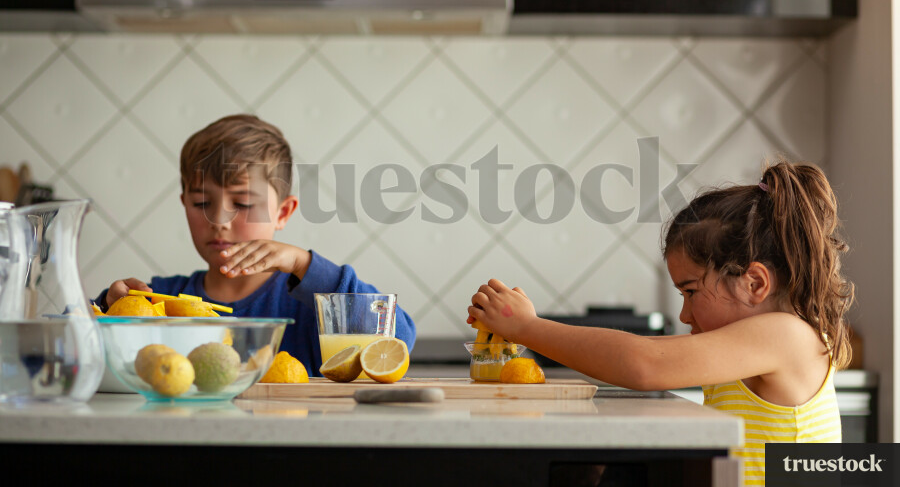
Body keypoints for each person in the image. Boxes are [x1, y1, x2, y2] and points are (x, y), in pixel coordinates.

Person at [467, 161, 854, 487]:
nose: (684, 315)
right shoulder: (760, 342)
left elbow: (645, 363)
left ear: (754, 283)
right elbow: (649, 356)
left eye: (690, 291)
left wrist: (527, 327)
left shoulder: (787, 335)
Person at [96, 114, 416, 375]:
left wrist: (303, 264)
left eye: (243, 203)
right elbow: (84, 346)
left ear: (283, 212)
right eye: (202, 202)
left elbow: (398, 339)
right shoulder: (158, 303)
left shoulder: (313, 310)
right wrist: (110, 308)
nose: (219, 219)